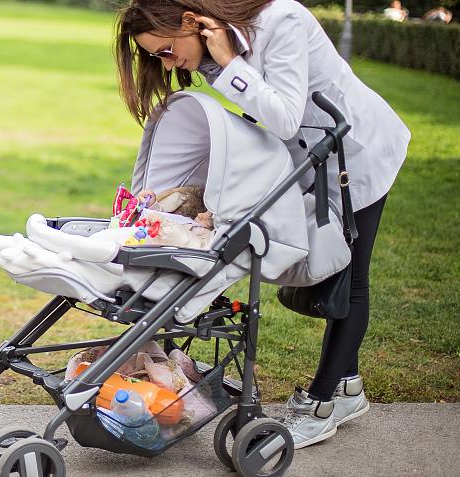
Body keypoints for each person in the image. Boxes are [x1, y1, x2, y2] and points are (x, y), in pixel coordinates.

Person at [113, 0, 411, 449]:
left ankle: (323, 402)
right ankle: (348, 385)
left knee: (348, 276)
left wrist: (232, 64)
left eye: (166, 49)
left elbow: (285, 115)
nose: (167, 62)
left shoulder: (282, 22)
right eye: (157, 56)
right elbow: (264, 129)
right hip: (310, 157)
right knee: (331, 269)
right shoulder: (215, 60)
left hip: (358, 153)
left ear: (193, 23)